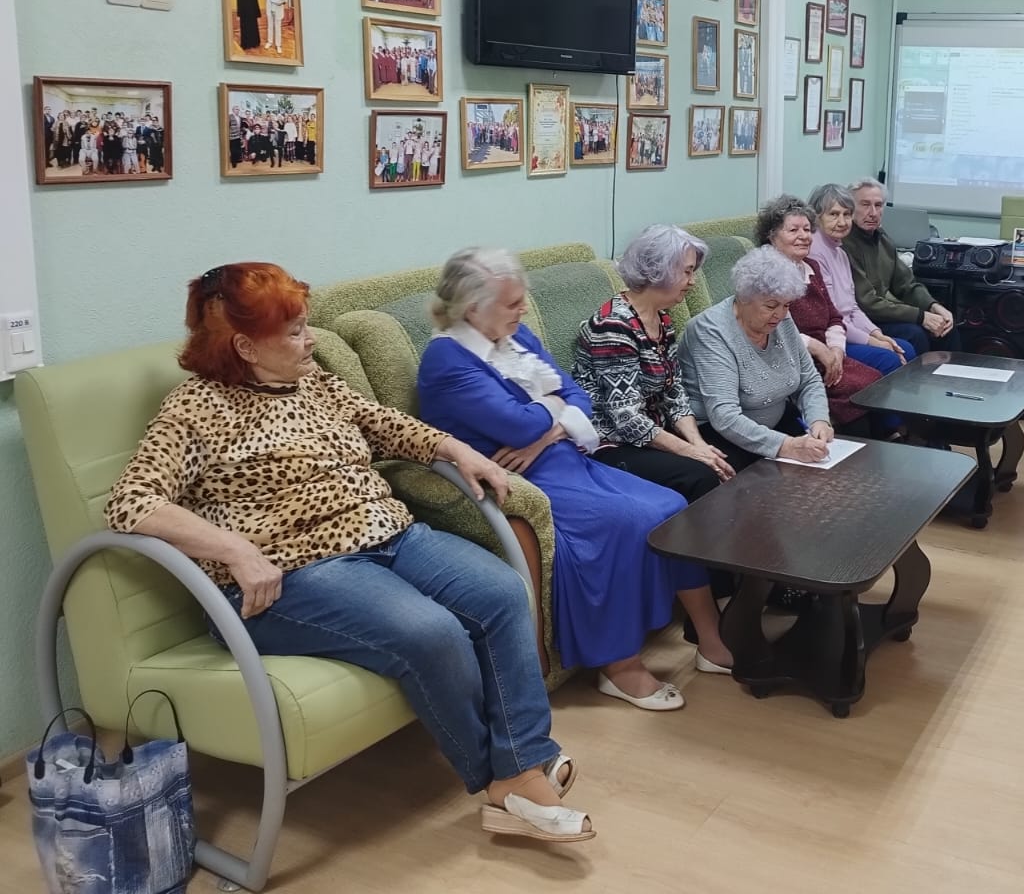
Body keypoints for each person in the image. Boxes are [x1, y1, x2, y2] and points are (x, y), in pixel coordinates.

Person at [103, 263, 593, 844]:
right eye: (294, 332)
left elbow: (382, 424)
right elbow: (131, 501)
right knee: (431, 633)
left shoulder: (312, 381)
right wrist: (234, 548)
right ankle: (510, 778)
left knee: (503, 592)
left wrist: (456, 449)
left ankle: (519, 767)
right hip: (294, 575)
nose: (311, 340)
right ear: (245, 347)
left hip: (391, 535)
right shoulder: (196, 410)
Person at [416, 248, 734, 712]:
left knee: (671, 505)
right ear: (472, 309)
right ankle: (619, 666)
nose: (523, 310)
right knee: (624, 521)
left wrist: (548, 430)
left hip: (562, 458)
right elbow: (520, 426)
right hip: (521, 478)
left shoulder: (514, 334)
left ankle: (710, 638)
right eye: (512, 303)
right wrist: (554, 417)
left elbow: (576, 394)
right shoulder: (446, 359)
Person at [572, 225, 735, 503]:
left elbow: (674, 391)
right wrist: (692, 452)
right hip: (612, 443)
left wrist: (698, 444)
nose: (693, 281)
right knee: (701, 475)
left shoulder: (661, 318)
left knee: (727, 454)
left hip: (651, 433)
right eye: (687, 272)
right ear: (659, 270)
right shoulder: (613, 326)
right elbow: (626, 419)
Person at [679, 246, 834, 472]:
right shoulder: (710, 330)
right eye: (771, 306)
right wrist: (787, 446)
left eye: (786, 305)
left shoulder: (781, 318)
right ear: (744, 298)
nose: (780, 314)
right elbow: (725, 417)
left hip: (777, 425)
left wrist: (819, 420)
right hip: (723, 436)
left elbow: (808, 380)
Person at [755, 195, 894, 436]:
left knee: (874, 379)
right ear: (772, 236)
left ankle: (887, 442)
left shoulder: (811, 266)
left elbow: (834, 316)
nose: (803, 236)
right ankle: (863, 448)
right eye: (793, 230)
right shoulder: (763, 273)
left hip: (826, 355)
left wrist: (837, 349)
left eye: (807, 229)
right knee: (856, 389)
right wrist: (817, 347)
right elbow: (766, 329)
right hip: (792, 359)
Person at [840, 178, 960, 356]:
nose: (873, 213)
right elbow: (867, 303)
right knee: (916, 334)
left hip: (884, 315)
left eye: (878, 205)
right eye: (865, 205)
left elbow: (907, 285)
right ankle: (917, 375)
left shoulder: (882, 238)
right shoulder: (845, 244)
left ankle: (951, 374)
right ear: (850, 208)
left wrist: (933, 306)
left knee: (947, 329)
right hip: (862, 320)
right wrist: (921, 316)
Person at [807, 184, 913, 374]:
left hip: (850, 330)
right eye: (834, 214)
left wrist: (878, 334)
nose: (842, 222)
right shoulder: (814, 252)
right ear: (817, 217)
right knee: (889, 359)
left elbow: (852, 307)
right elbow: (832, 316)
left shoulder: (840, 252)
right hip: (832, 337)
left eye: (847, 214)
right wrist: (872, 342)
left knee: (906, 348)